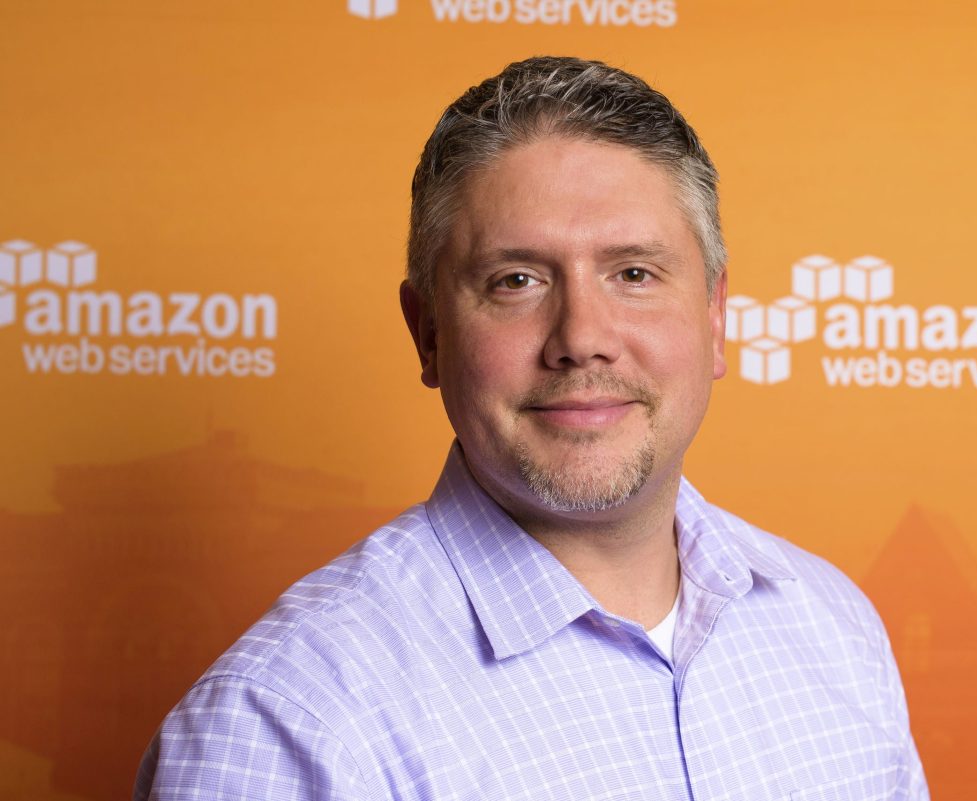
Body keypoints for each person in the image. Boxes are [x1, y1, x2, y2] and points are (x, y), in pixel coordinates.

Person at [135, 56, 928, 800]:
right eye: (516, 280)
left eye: (634, 273)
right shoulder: (286, 721)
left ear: (715, 318)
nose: (581, 337)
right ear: (428, 333)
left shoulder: (834, 626)